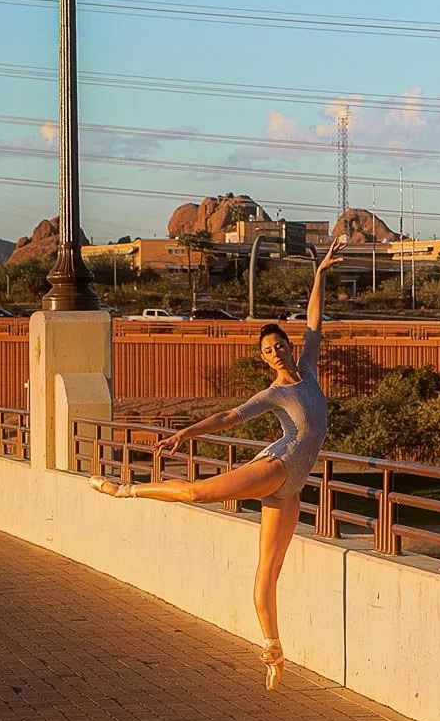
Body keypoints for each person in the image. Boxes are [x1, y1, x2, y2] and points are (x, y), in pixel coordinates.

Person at [92, 237, 344, 689]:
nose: (275, 352)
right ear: (264, 359)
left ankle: (273, 652)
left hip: (294, 486)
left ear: (288, 345)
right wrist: (189, 432)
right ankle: (125, 489)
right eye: (267, 351)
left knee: (269, 571)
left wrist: (320, 273)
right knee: (196, 492)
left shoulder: (309, 365)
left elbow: (315, 320)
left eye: (278, 345)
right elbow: (231, 416)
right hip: (279, 465)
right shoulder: (275, 393)